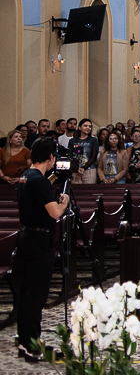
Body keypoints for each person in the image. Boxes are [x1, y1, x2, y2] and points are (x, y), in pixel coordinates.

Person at [14, 138, 69, 362]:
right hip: (39, 241)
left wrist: (53, 178)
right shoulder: (39, 182)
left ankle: (25, 341)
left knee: (26, 294)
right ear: (50, 157)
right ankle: (32, 345)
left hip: (26, 237)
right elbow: (55, 213)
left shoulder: (27, 176)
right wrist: (64, 201)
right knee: (35, 296)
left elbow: (39, 189)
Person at [68, 119, 100, 184]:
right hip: (75, 170)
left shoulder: (94, 140)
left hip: (89, 169)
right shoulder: (72, 141)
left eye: (90, 126)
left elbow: (93, 157)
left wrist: (83, 168)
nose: (88, 128)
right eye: (85, 126)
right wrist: (77, 168)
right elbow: (70, 155)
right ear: (79, 127)